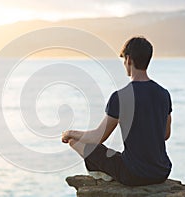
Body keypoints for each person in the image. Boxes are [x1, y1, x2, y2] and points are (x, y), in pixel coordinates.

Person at [62, 36, 172, 186]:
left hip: (134, 174)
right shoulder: (163, 94)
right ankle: (102, 171)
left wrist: (70, 134)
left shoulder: (121, 97)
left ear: (128, 59)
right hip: (161, 172)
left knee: (76, 142)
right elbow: (165, 134)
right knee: (116, 156)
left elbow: (98, 137)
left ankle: (101, 173)